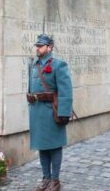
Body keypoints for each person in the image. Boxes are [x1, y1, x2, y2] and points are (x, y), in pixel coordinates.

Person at [28, 33, 73, 191]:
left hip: (51, 111)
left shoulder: (58, 65)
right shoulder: (33, 64)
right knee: (42, 146)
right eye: (37, 46)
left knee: (54, 147)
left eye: (41, 46)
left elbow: (66, 91)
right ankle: (45, 178)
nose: (38, 48)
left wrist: (64, 113)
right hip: (37, 112)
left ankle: (55, 180)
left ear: (50, 47)